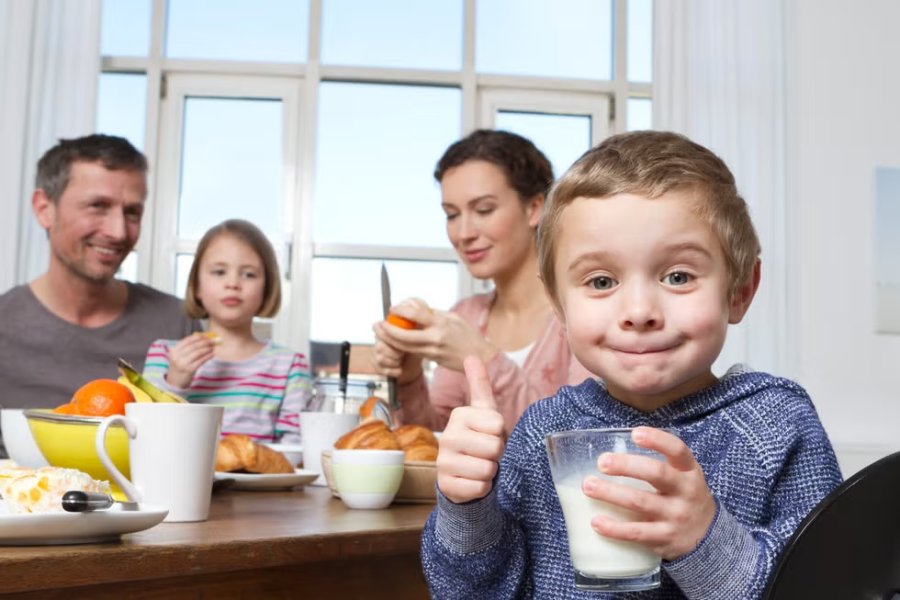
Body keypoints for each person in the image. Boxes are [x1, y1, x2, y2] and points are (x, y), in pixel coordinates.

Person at [421, 131, 843, 598]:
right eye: (601, 281)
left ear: (740, 289)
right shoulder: (543, 429)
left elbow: (827, 584)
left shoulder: (776, 427)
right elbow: (471, 592)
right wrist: (467, 507)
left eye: (678, 276)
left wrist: (706, 540)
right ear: (558, 305)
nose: (638, 310)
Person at [371, 129, 592, 435]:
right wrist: (409, 380)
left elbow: (577, 440)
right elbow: (438, 441)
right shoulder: (466, 315)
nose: (463, 233)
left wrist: (481, 358)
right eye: (451, 214)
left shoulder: (582, 313)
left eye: (483, 210)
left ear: (534, 208)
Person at [0, 134, 200, 411]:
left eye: (132, 212)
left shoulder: (177, 324)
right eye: (97, 206)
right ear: (44, 209)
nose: (118, 232)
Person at [142, 219, 311, 444]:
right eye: (219, 271)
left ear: (267, 288)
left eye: (249, 274)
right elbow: (147, 436)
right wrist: (175, 381)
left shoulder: (289, 365)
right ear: (197, 286)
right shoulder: (164, 355)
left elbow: (295, 449)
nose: (233, 283)